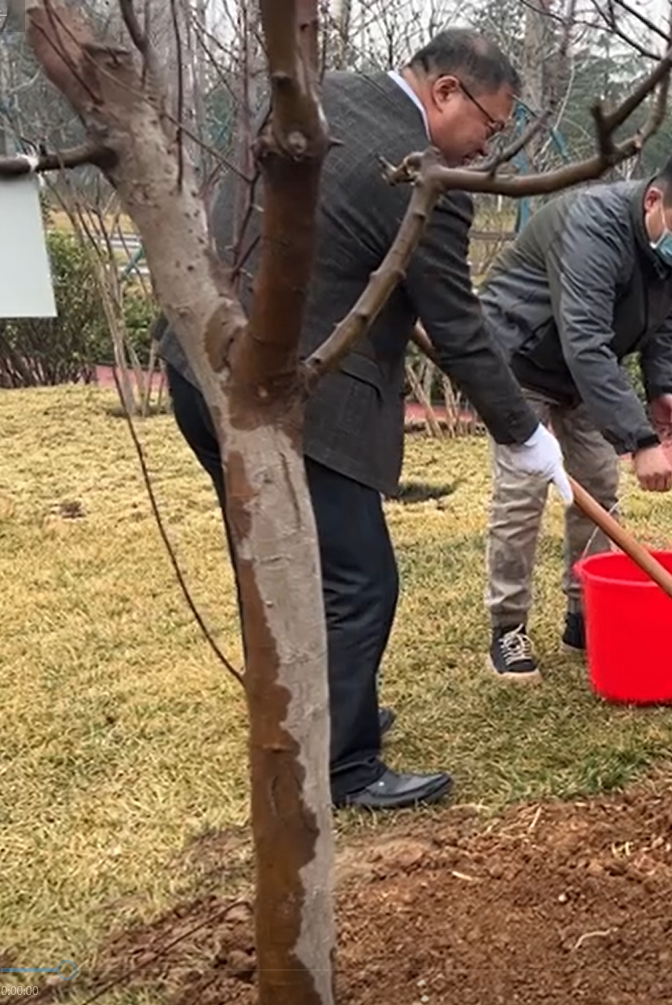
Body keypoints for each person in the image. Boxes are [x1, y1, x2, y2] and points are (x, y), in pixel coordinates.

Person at [160, 29, 572, 811]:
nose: (488, 146)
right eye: (490, 124)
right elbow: (457, 324)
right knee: (357, 581)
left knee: (278, 562)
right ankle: (343, 766)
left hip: (201, 362)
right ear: (445, 91)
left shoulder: (316, 96)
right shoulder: (422, 173)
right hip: (297, 400)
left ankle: (315, 716)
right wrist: (523, 433)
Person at [474, 142, 672, 680]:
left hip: (583, 375)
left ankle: (585, 614)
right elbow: (584, 339)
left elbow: (666, 325)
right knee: (523, 494)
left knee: (599, 490)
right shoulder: (591, 227)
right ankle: (508, 628)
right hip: (518, 360)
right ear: (653, 200)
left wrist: (662, 387)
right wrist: (640, 442)